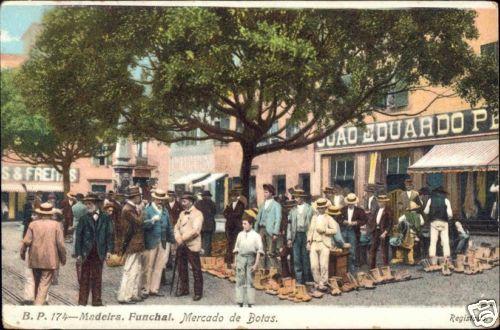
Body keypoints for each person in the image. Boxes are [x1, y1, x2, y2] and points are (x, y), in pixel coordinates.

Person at [20, 203, 66, 305]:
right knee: (44, 284)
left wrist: (22, 253)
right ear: (51, 214)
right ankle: (38, 306)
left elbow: (26, 241)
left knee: (37, 283)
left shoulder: (33, 224)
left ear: (40, 213)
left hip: (35, 258)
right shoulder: (56, 225)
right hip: (50, 259)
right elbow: (61, 244)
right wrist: (63, 258)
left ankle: (37, 302)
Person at [74, 193, 114, 306]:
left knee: (97, 277)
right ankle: (82, 302)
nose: (87, 206)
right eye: (86, 204)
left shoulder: (106, 218)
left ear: (96, 204)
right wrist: (78, 253)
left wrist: (109, 250)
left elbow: (110, 235)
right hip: (86, 252)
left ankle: (97, 301)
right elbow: (79, 238)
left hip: (99, 251)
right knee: (84, 278)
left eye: (90, 203)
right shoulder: (83, 219)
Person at [142, 189, 174, 297]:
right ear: (154, 199)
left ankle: (154, 289)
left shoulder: (165, 211)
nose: (160, 201)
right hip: (151, 241)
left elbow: (169, 226)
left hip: (163, 242)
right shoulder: (148, 210)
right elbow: (143, 226)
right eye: (158, 199)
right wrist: (152, 221)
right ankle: (145, 289)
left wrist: (172, 241)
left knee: (159, 266)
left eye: (162, 200)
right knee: (148, 265)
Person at [117, 186, 146, 304]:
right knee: (130, 270)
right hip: (132, 244)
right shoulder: (128, 209)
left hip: (135, 244)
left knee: (136, 269)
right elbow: (139, 222)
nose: (141, 199)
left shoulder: (130, 208)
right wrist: (143, 210)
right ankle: (124, 296)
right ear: (135, 197)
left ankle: (133, 294)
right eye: (139, 196)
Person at [174, 192, 204, 301]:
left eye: (184, 201)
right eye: (182, 201)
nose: (182, 203)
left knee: (196, 269)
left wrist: (182, 238)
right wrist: (178, 238)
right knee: (181, 268)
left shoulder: (198, 214)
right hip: (182, 245)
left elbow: (195, 231)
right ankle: (184, 289)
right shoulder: (182, 214)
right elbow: (176, 227)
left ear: (191, 202)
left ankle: (198, 292)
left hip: (192, 245)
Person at [233, 208, 264, 308]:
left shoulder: (256, 236)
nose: (243, 226)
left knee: (250, 281)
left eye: (245, 224)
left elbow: (259, 251)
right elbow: (236, 249)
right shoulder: (240, 235)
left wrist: (256, 264)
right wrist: (235, 261)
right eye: (243, 224)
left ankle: (250, 302)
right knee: (240, 280)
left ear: (251, 224)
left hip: (251, 259)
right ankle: (240, 301)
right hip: (240, 259)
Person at [307, 198, 337, 296]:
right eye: (319, 208)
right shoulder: (314, 218)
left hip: (324, 244)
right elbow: (310, 231)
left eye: (323, 208)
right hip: (314, 243)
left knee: (324, 265)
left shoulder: (329, 218)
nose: (321, 210)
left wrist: (324, 230)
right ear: (317, 208)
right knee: (314, 266)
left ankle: (323, 284)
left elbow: (334, 230)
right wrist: (308, 242)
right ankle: (317, 283)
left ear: (325, 208)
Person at [286, 189, 314, 285]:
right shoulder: (293, 210)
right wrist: (289, 238)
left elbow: (312, 224)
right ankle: (298, 280)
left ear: (302, 197)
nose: (296, 199)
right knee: (297, 258)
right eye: (295, 197)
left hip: (305, 235)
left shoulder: (309, 208)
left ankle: (306, 279)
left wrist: (310, 239)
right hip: (296, 235)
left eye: (298, 197)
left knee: (305, 257)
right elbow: (289, 226)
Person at [254, 184, 282, 271]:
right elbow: (258, 218)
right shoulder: (262, 205)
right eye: (264, 192)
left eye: (266, 192)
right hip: (261, 230)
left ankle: (275, 273)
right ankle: (262, 271)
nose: (264, 194)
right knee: (261, 251)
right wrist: (255, 231)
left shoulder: (276, 205)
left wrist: (275, 232)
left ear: (271, 193)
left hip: (270, 231)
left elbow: (278, 219)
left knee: (271, 252)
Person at [424, 186, 453, 267]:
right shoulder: (446, 200)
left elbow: (426, 211)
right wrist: (448, 218)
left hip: (434, 222)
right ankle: (446, 257)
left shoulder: (430, 200)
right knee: (445, 240)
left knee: (433, 241)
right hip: (444, 222)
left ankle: (432, 258)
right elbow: (450, 214)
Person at [339, 193, 368, 274]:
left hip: (354, 231)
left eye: (352, 203)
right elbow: (338, 219)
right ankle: (343, 268)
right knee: (343, 249)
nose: (350, 205)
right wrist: (343, 222)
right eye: (349, 203)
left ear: (354, 203)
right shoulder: (343, 210)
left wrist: (355, 223)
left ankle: (352, 269)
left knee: (352, 250)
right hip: (344, 231)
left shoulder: (359, 210)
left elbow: (364, 220)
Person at [368, 194, 393, 268]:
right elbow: (373, 219)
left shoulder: (388, 210)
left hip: (384, 232)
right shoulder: (377, 209)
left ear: (385, 202)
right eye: (379, 202)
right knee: (373, 249)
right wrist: (372, 228)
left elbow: (390, 224)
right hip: (376, 231)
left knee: (384, 250)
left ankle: (385, 267)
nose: (380, 203)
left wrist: (385, 233)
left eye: (382, 202)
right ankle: (372, 267)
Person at [396, 201, 424, 265]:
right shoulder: (419, 215)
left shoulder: (406, 215)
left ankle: (409, 259)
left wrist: (406, 222)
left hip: (408, 234)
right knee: (415, 245)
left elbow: (399, 220)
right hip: (416, 234)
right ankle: (415, 258)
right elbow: (422, 223)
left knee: (408, 246)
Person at [223, 187, 246, 266]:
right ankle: (229, 261)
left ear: (237, 196)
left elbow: (239, 214)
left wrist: (229, 215)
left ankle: (237, 261)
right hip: (229, 227)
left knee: (236, 243)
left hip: (237, 227)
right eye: (231, 196)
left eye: (234, 196)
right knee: (229, 243)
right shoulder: (229, 204)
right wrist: (229, 215)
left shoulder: (241, 204)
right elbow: (224, 213)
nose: (232, 198)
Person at [195, 190, 217, 256]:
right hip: (209, 225)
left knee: (200, 240)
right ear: (208, 196)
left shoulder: (198, 203)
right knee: (207, 241)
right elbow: (214, 212)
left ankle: (200, 254)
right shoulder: (212, 203)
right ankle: (206, 255)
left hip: (199, 225)